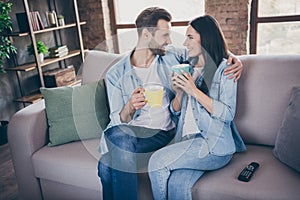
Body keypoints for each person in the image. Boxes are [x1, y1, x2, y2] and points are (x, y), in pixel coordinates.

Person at [97, 7, 243, 200]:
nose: (170, 40)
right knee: (107, 163)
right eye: (165, 34)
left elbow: (209, 47)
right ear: (147, 35)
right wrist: (129, 107)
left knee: (111, 159)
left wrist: (235, 59)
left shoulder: (171, 56)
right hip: (136, 137)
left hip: (166, 134)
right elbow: (117, 120)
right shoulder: (116, 74)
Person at [148, 15, 246, 200]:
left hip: (214, 144)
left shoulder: (225, 70)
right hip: (187, 141)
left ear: (206, 38)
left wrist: (193, 90)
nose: (185, 42)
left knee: (157, 162)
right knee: (177, 184)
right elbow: (175, 113)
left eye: (190, 37)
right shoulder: (187, 67)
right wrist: (179, 92)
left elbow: (227, 114)